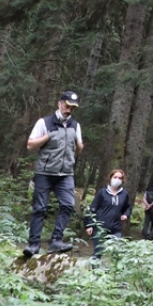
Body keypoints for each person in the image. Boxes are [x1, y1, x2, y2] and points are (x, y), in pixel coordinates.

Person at [24, 91, 84, 256]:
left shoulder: (75, 126)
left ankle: (56, 242)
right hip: (44, 172)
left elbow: (78, 149)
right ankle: (33, 245)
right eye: (67, 106)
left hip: (65, 174)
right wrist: (48, 137)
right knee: (39, 208)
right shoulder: (44, 122)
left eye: (72, 108)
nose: (69, 110)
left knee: (67, 205)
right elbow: (30, 145)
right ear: (59, 103)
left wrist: (78, 146)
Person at [85, 169, 132, 258]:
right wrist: (89, 225)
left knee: (117, 251)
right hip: (100, 227)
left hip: (115, 228)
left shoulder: (124, 194)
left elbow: (128, 207)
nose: (117, 179)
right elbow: (92, 208)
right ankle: (95, 271)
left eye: (120, 178)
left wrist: (126, 214)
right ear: (110, 178)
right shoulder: (102, 192)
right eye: (115, 177)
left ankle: (114, 271)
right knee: (98, 252)